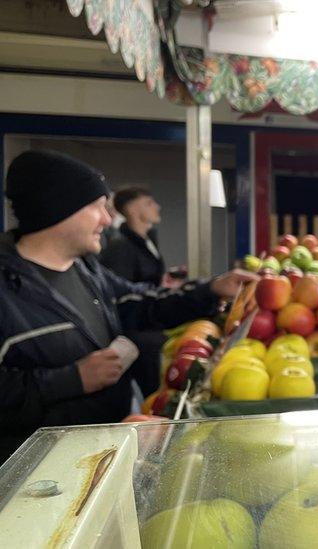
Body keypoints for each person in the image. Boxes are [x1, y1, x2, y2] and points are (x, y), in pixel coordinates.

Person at [0, 150, 256, 460]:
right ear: (60, 210)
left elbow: (141, 302)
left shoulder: (87, 270)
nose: (108, 220)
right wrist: (71, 379)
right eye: (98, 208)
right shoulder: (7, 289)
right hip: (33, 478)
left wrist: (211, 288)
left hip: (98, 455)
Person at [99, 186, 174, 396]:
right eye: (149, 203)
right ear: (132, 210)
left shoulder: (148, 240)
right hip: (140, 337)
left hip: (150, 325)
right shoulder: (120, 248)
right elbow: (121, 295)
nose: (157, 206)